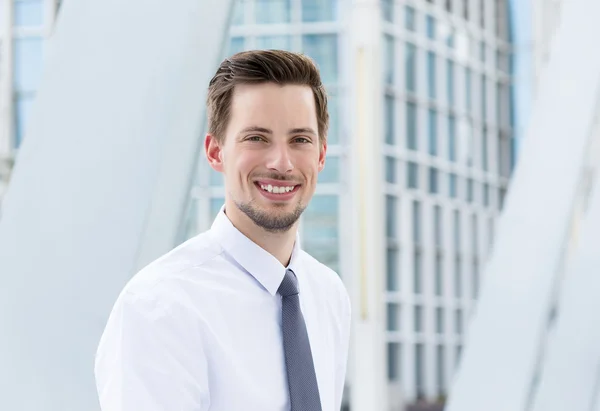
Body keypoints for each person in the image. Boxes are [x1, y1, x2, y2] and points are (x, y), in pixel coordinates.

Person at [94, 49, 352, 411]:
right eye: (257, 138)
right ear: (216, 152)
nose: (281, 162)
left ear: (321, 155)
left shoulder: (328, 295)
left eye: (300, 140)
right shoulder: (159, 306)